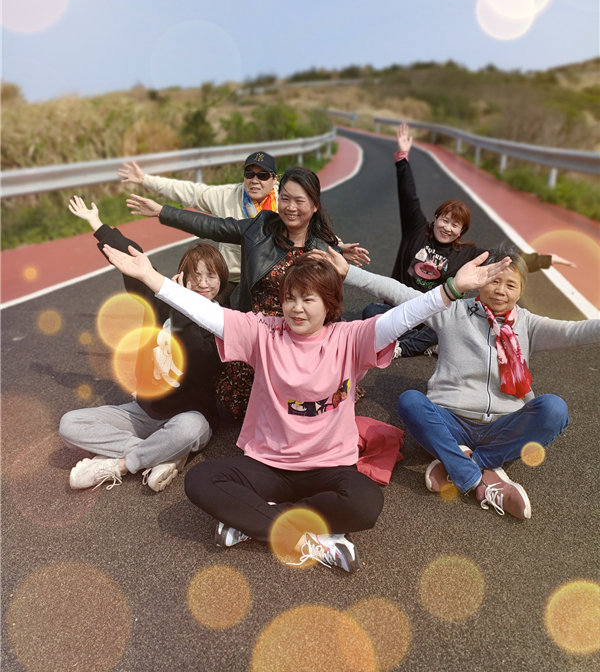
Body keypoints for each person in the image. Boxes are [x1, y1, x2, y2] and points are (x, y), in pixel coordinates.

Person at [100, 243, 511, 571]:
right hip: (268, 464)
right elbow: (209, 314)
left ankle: (254, 521)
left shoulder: (351, 338)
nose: (297, 308)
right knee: (201, 480)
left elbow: (403, 317)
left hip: (328, 466)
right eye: (290, 298)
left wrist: (451, 289)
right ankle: (306, 538)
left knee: (366, 504)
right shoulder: (264, 332)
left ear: (329, 304)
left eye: (308, 299)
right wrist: (151, 278)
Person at [321, 245, 599, 520]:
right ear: (480, 280)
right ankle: (479, 480)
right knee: (410, 401)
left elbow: (574, 332)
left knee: (554, 409)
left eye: (510, 285)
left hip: (503, 427)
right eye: (494, 280)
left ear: (521, 290)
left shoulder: (528, 325)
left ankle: (463, 463)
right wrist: (349, 273)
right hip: (451, 423)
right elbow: (398, 292)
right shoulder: (452, 312)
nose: (501, 290)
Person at [125, 166, 370, 418]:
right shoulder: (260, 227)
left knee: (298, 402)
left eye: (299, 201)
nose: (290, 207)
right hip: (258, 333)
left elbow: (329, 305)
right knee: (234, 404)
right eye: (285, 198)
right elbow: (213, 226)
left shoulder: (322, 248)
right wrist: (162, 212)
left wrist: (339, 361)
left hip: (299, 334)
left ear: (315, 205)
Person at [58, 196, 228, 492]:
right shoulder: (160, 301)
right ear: (182, 277)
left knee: (192, 430)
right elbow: (135, 262)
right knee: (70, 424)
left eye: (210, 276)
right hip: (145, 412)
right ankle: (163, 454)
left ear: (221, 281)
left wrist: (180, 307)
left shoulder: (222, 320)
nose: (203, 283)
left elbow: (198, 359)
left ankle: (120, 464)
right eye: (195, 275)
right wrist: (97, 224)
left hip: (188, 415)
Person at [364, 124, 576, 358]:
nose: (447, 227)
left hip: (430, 317)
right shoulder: (416, 231)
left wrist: (545, 260)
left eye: (455, 225)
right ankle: (419, 342)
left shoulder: (466, 255)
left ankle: (401, 345)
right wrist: (403, 157)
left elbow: (505, 261)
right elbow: (408, 196)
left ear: (461, 232)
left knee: (450, 323)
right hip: (399, 307)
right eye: (444, 220)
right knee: (371, 311)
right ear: (435, 219)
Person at [118, 150, 280, 304]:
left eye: (263, 175)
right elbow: (191, 192)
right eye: (249, 174)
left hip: (270, 276)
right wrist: (145, 180)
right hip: (232, 278)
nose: (254, 180)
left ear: (274, 179)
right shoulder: (227, 195)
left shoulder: (285, 203)